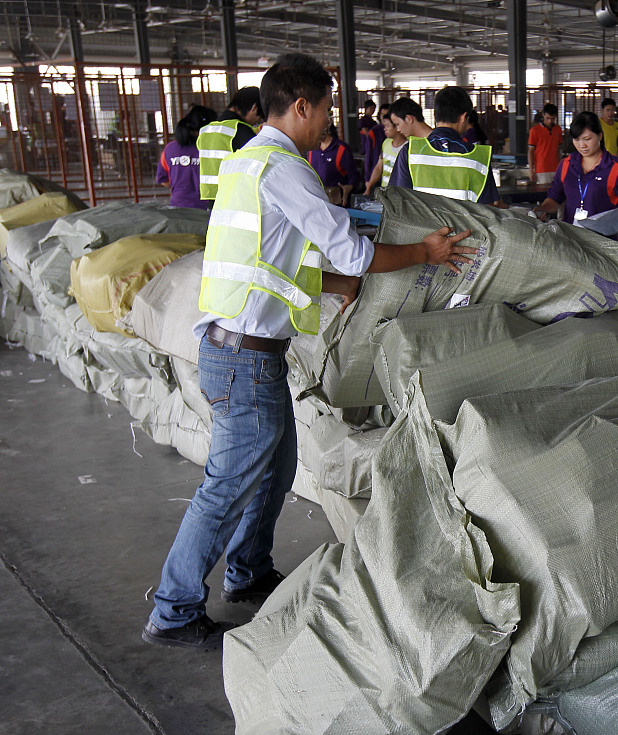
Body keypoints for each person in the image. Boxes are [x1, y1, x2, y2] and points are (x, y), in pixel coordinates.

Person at [142, 53, 476, 651]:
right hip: (243, 357)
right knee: (228, 486)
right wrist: (423, 253)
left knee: (275, 470)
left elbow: (265, 260)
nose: (329, 121)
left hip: (242, 350)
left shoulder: (247, 163)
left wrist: (333, 285)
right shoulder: (284, 169)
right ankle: (173, 609)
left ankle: (248, 572)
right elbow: (352, 251)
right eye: (325, 108)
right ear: (301, 106)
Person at [391, 86, 504, 207]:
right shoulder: (479, 157)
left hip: (422, 220)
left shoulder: (410, 152)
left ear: (436, 114)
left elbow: (397, 201)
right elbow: (486, 209)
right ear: (463, 117)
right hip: (464, 220)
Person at [532, 110, 618, 226]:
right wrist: (542, 209)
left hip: (600, 235)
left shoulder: (614, 167)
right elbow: (555, 198)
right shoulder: (566, 164)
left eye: (587, 139)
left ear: (600, 136)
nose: (582, 145)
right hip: (570, 233)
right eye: (576, 140)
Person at [197, 86, 263, 202]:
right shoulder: (239, 129)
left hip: (210, 197)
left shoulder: (205, 130)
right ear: (254, 107)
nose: (256, 122)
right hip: (232, 196)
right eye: (259, 117)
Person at [156, 104, 217, 210]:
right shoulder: (209, 148)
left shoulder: (170, 148)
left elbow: (163, 179)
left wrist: (181, 188)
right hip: (205, 208)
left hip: (177, 205)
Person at [306, 122, 357, 206]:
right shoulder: (311, 150)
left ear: (325, 128)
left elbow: (354, 176)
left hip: (338, 203)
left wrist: (349, 187)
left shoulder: (341, 149)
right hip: (317, 202)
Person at [364, 108, 406, 195]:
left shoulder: (408, 146)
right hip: (385, 192)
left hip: (401, 194)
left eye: (387, 126)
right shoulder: (386, 143)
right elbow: (379, 167)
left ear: (397, 126)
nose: (384, 129)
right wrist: (369, 186)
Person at [527, 102, 563, 189]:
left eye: (552, 119)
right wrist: (531, 170)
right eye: (547, 118)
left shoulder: (558, 130)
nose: (550, 121)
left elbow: (558, 149)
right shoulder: (534, 131)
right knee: (543, 192)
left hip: (555, 168)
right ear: (543, 115)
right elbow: (531, 151)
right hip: (541, 169)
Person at [361, 102, 389, 192]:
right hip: (376, 176)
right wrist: (367, 179)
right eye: (382, 115)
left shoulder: (399, 136)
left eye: (387, 115)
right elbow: (368, 156)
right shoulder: (374, 132)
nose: (384, 118)